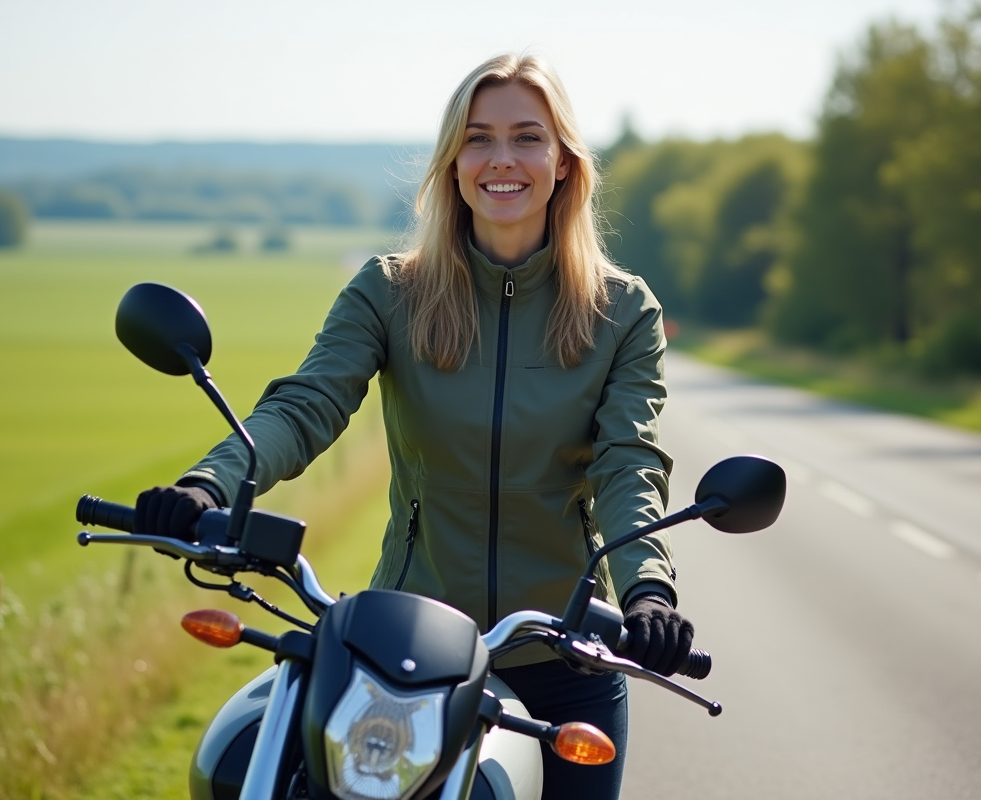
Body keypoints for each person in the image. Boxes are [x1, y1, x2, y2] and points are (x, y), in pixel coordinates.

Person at [135, 53, 693, 800]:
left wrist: (648, 590)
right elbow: (306, 406)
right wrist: (212, 483)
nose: (502, 160)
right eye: (478, 138)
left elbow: (629, 465)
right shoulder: (390, 291)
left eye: (528, 138)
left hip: (563, 662)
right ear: (453, 161)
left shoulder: (622, 311)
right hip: (399, 655)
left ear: (563, 163)